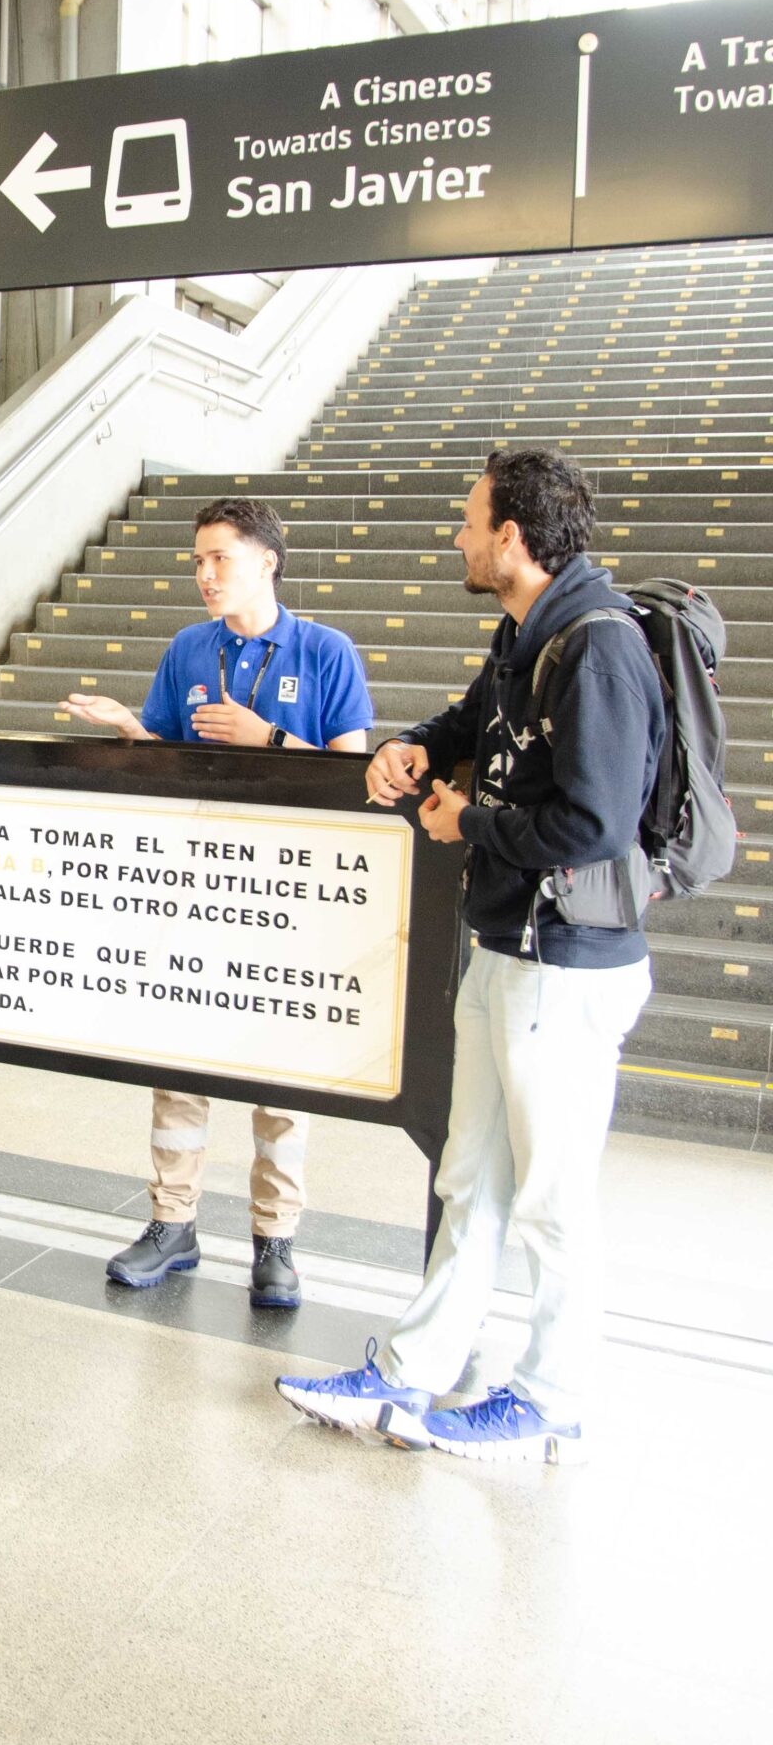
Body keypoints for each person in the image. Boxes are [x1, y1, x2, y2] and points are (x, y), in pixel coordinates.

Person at [276, 448, 664, 1465]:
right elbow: (469, 725)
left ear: (512, 536)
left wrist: (467, 824)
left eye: (468, 519)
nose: (456, 535)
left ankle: (550, 1391)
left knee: (548, 1192)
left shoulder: (597, 646)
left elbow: (593, 821)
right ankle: (416, 1370)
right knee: (472, 1180)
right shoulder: (524, 631)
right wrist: (408, 746)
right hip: (509, 946)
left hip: (569, 961)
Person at [62, 496, 375, 1309]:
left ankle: (276, 1242)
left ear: (267, 560)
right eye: (197, 560)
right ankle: (173, 1224)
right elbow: (170, 754)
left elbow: (355, 778)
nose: (204, 575)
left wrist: (263, 738)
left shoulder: (326, 651)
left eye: (219, 559)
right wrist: (131, 727)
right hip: (197, 882)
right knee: (178, 1061)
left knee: (282, 1077)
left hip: (293, 892)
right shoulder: (188, 648)